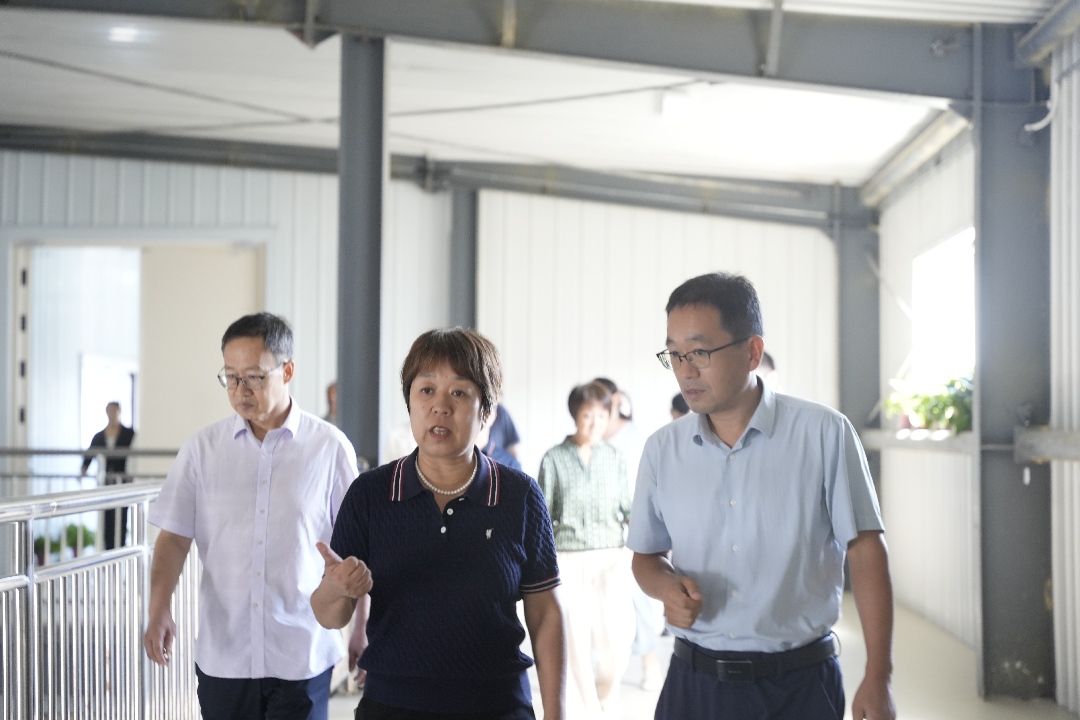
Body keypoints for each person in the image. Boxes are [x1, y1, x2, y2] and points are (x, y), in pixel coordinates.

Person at [628, 272, 896, 720]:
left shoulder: (823, 433)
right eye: (674, 354)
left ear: (752, 351)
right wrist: (666, 587)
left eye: (699, 352)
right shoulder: (662, 450)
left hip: (798, 687)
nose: (685, 370)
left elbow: (866, 548)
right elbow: (646, 557)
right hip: (694, 683)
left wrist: (878, 674)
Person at [311, 327, 565, 720]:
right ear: (410, 403)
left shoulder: (519, 495)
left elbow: (545, 613)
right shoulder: (371, 493)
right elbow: (329, 614)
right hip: (392, 706)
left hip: (497, 705)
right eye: (426, 390)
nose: (440, 407)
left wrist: (556, 713)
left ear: (486, 411)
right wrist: (337, 587)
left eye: (459, 392)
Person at [143, 313, 360, 720]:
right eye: (231, 377)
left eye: (254, 378)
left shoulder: (330, 448)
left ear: (288, 370)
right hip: (225, 656)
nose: (240, 390)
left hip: (303, 651)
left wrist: (363, 626)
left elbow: (357, 548)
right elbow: (173, 538)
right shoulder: (202, 450)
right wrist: (158, 610)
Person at [538, 381, 633, 719]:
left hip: (612, 556)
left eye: (601, 416)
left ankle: (606, 698)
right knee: (575, 640)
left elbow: (628, 508)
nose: (594, 423)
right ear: (575, 416)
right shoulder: (554, 458)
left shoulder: (615, 458)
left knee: (617, 639)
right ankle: (588, 710)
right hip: (568, 557)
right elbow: (543, 516)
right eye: (587, 415)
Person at [593, 377, 660, 690]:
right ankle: (602, 670)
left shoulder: (637, 439)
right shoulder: (594, 441)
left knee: (639, 598)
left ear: (615, 401)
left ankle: (649, 662)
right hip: (600, 535)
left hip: (633, 530)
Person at [80, 401, 135, 550]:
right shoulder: (99, 436)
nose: (112, 414)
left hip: (122, 481)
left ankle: (120, 547)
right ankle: (108, 548)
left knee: (121, 515)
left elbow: (134, 456)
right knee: (107, 516)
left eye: (114, 411)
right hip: (105, 481)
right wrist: (83, 470)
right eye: (110, 411)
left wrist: (130, 475)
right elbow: (89, 454)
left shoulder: (129, 434)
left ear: (119, 412)